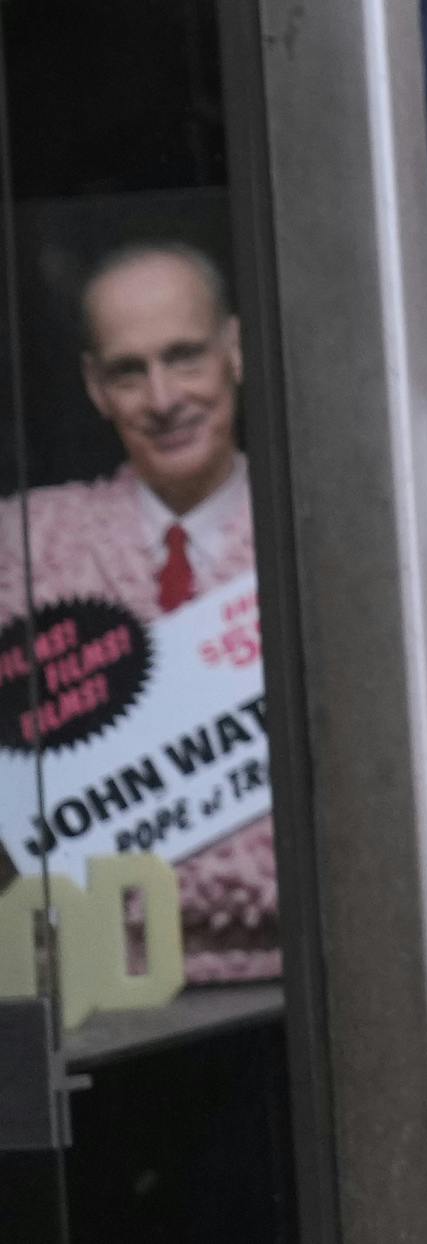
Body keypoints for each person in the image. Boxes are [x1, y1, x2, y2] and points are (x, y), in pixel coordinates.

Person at [7, 239, 270, 979]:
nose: (162, 399)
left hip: (306, 988)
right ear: (95, 386)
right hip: (89, 997)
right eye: (130, 370)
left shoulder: (320, 541)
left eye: (184, 356)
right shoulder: (24, 554)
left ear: (234, 351)